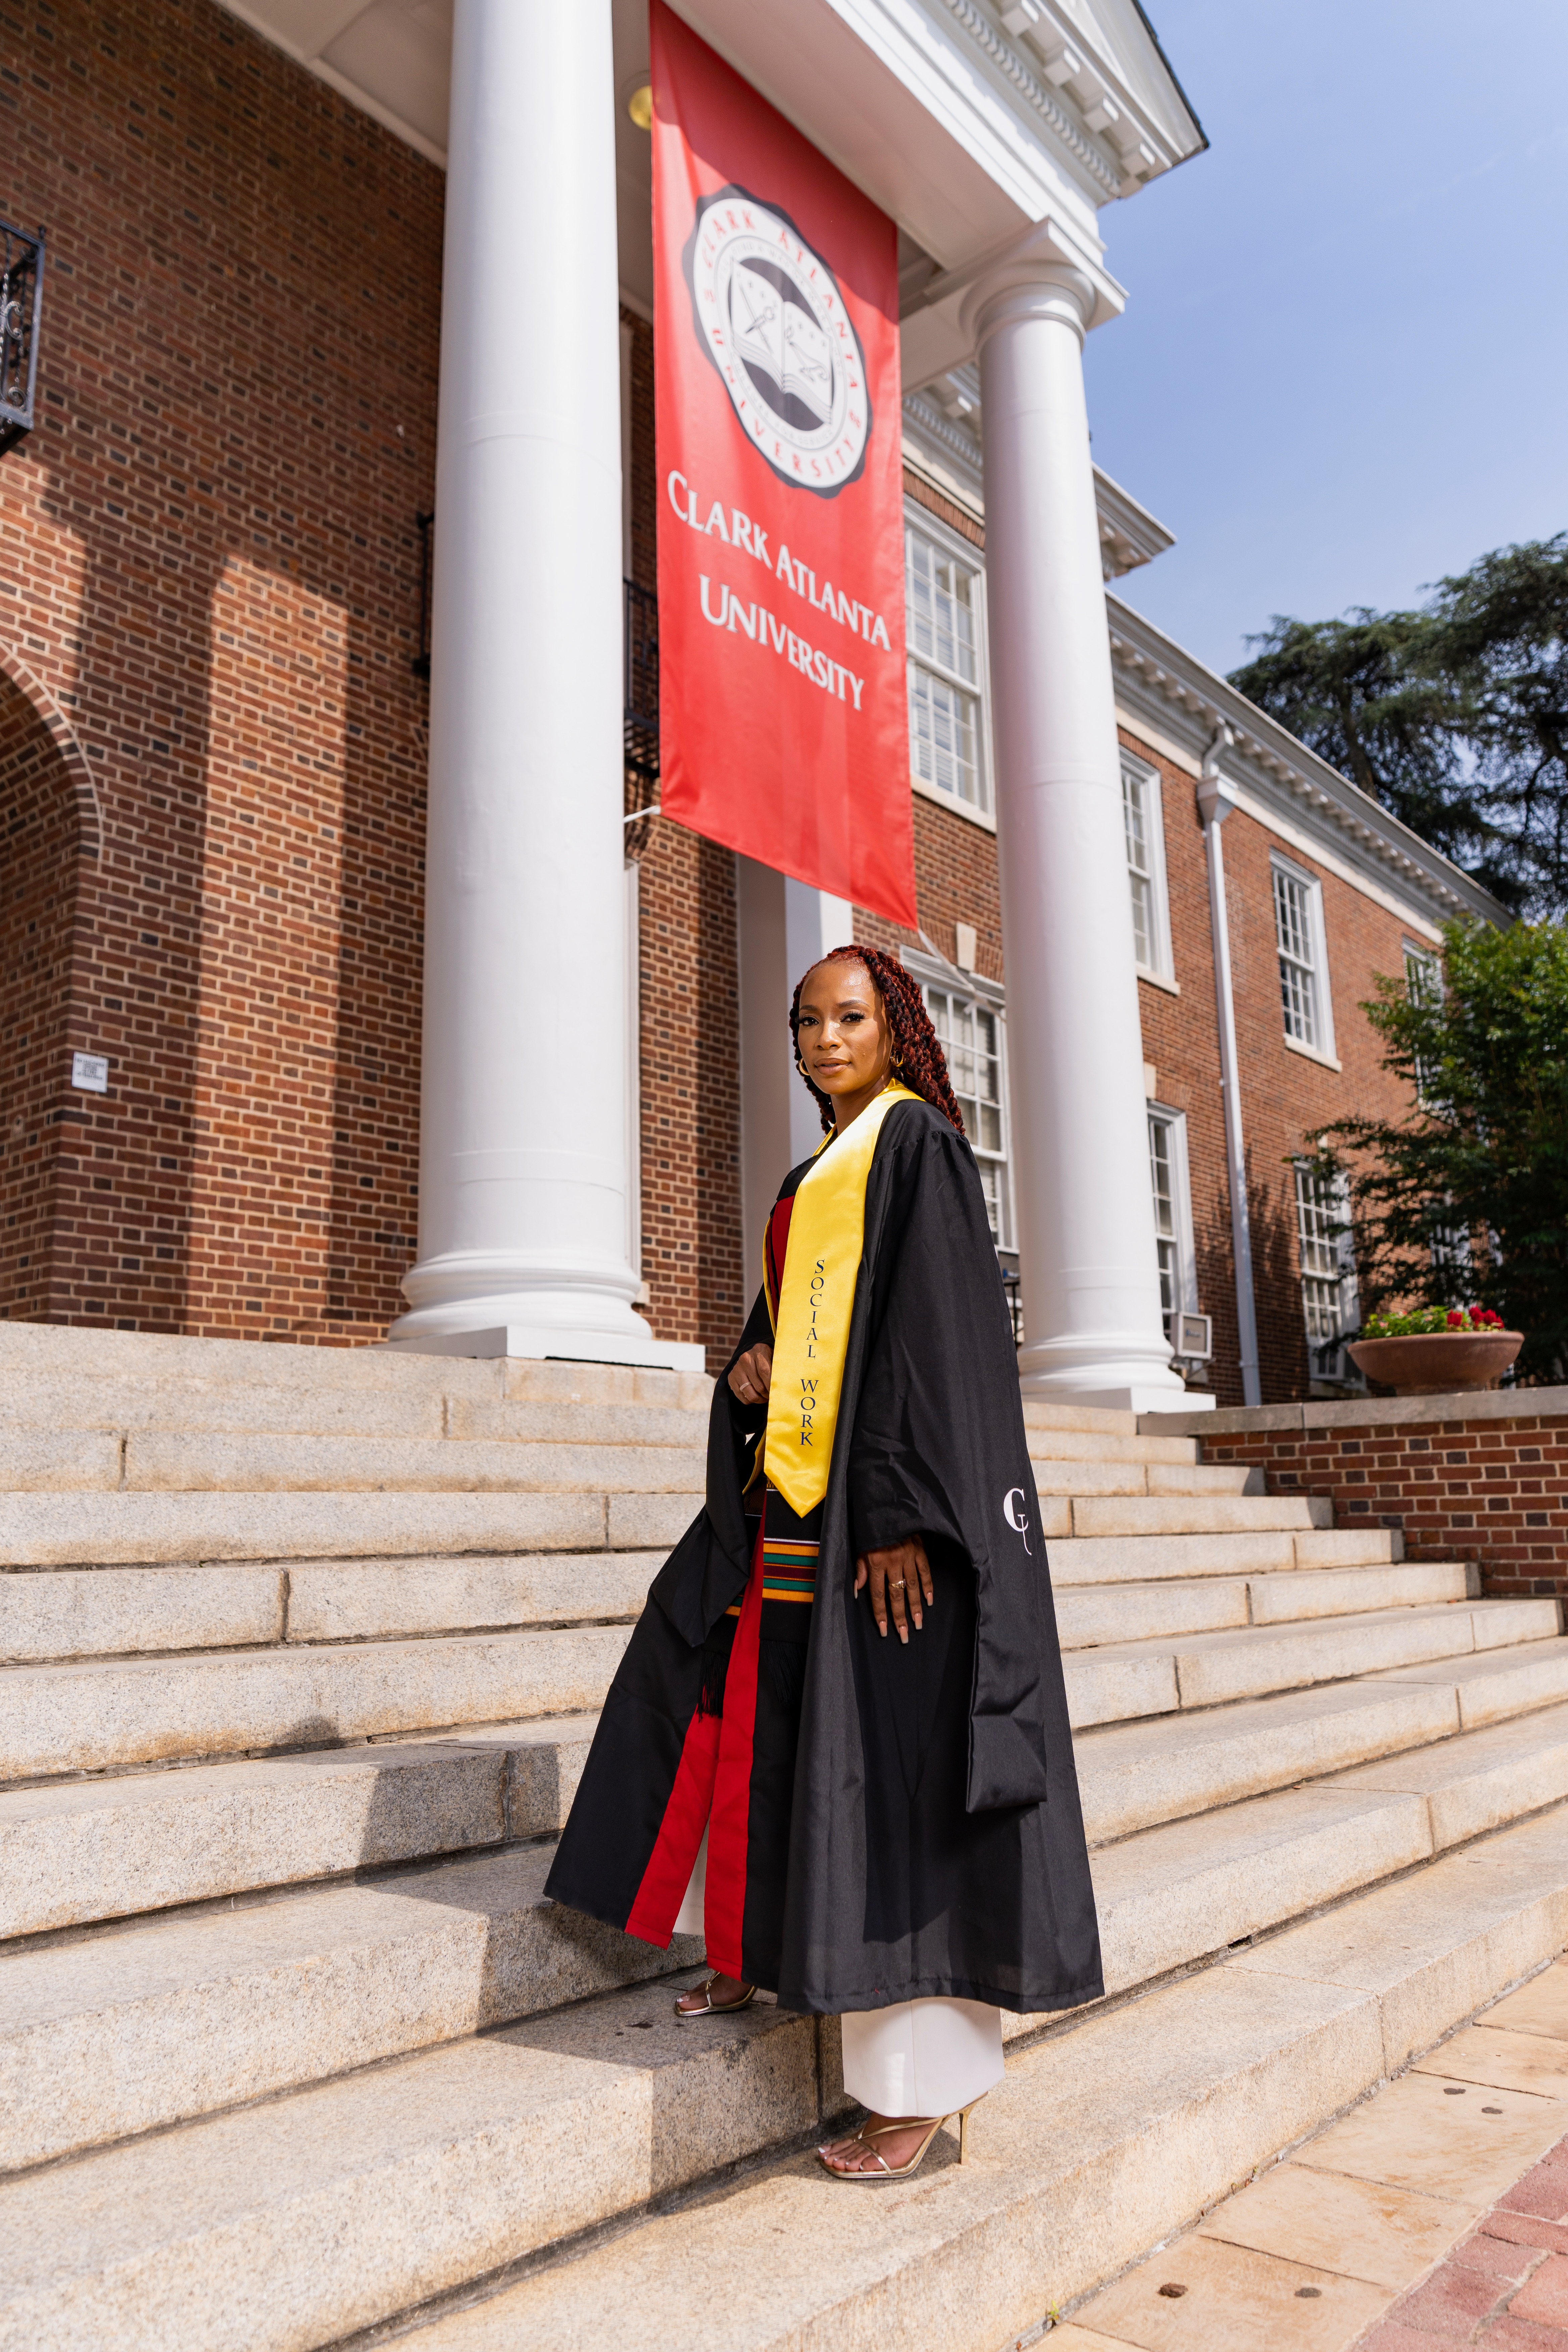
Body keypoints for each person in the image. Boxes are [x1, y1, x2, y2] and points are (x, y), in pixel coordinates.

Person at [544, 944, 1101, 2178]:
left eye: (851, 1016)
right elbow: (793, 1333)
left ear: (896, 1028)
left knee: (895, 1785)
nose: (826, 1038)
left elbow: (934, 1340)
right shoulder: (814, 1174)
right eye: (807, 1021)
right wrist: (748, 1369)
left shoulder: (917, 1148)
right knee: (755, 1716)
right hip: (797, 1512)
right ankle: (754, 1944)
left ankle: (920, 2090)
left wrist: (901, 1515)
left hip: (888, 1528)